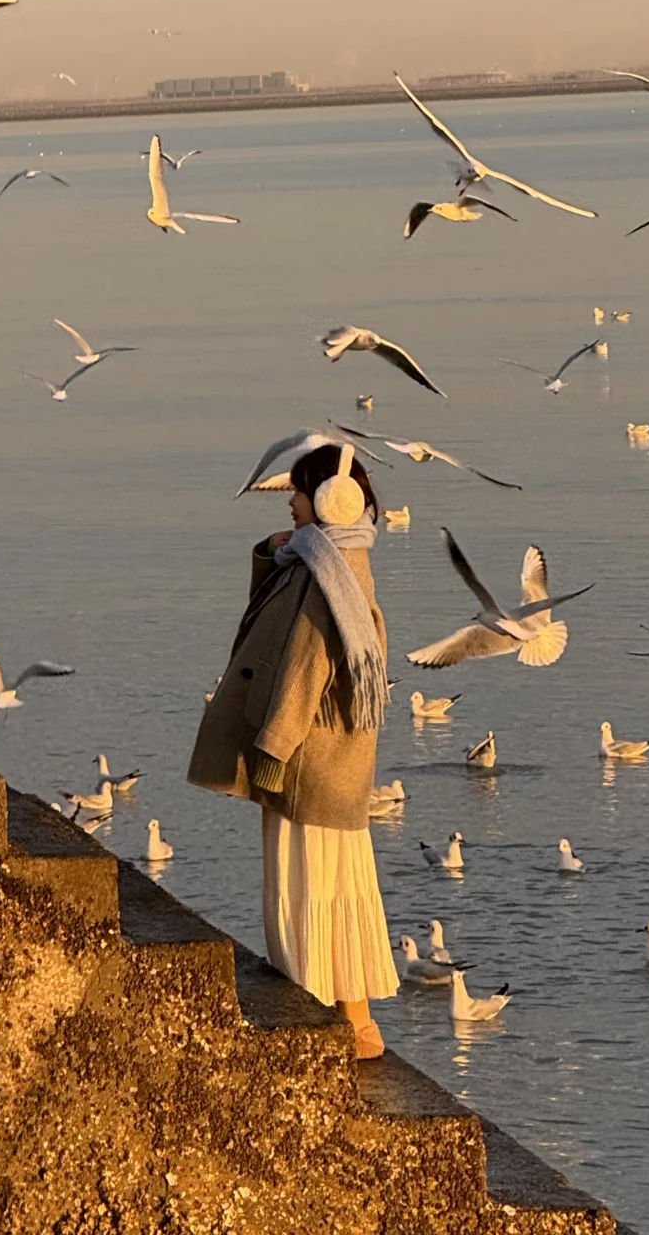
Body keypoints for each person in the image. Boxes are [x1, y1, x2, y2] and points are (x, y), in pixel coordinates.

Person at [187, 443, 398, 1058]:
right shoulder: (326, 560)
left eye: (300, 492)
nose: (290, 499)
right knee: (336, 879)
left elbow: (306, 666)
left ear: (330, 501)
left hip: (311, 759)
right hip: (328, 760)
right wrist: (277, 550)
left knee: (308, 878)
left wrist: (273, 747)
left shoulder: (332, 576)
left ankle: (329, 1018)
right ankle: (350, 1020)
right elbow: (268, 615)